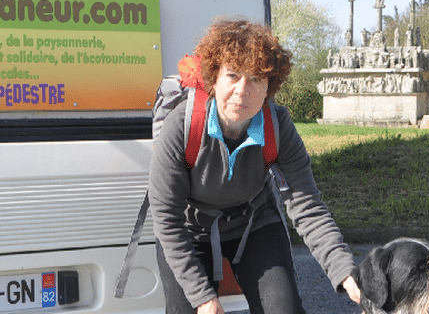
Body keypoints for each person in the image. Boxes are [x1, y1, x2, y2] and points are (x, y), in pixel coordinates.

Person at [148, 18, 360, 314]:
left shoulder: (278, 127)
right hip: (188, 229)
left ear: (269, 88)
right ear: (214, 78)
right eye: (232, 75)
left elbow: (307, 207)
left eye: (256, 80)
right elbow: (166, 218)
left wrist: (347, 273)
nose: (242, 91)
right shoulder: (181, 126)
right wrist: (203, 297)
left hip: (253, 222)